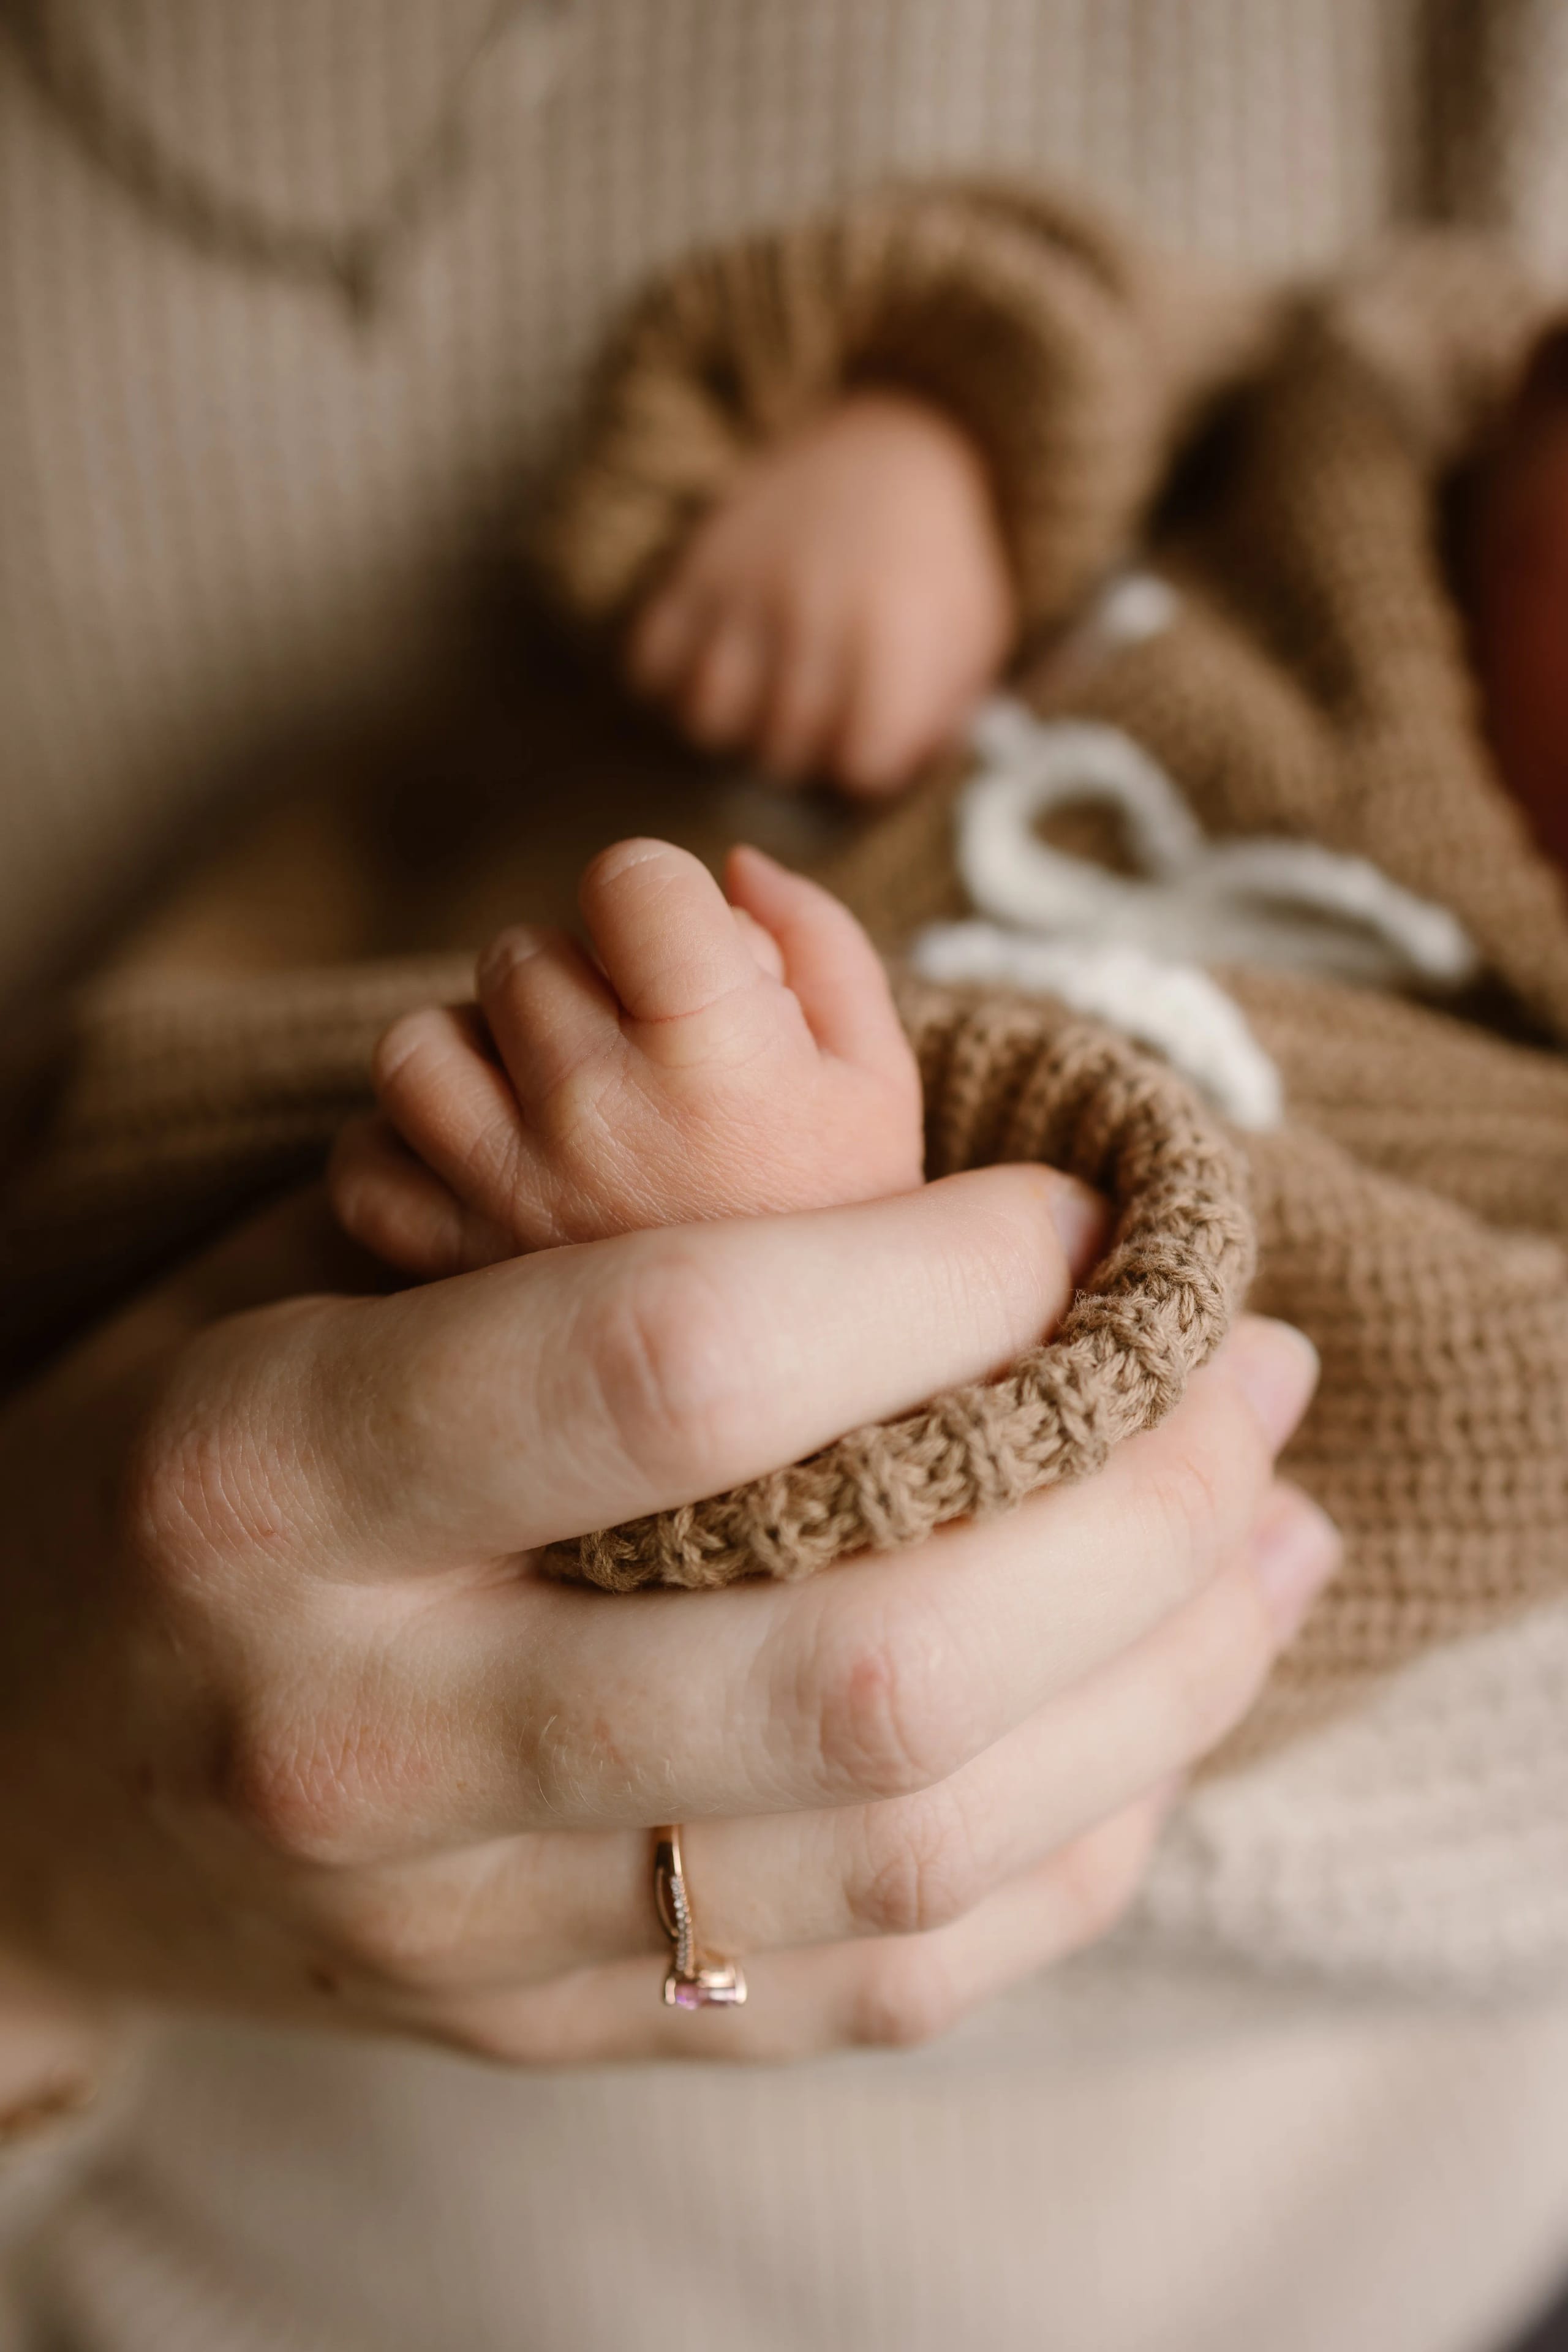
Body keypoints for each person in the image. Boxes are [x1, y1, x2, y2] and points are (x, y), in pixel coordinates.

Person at [5, 9, 1568, 2352]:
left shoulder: (1509, 1125)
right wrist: (947, 435)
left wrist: (828, 1239)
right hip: (300, 1001)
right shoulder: (1393, 409)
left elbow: (1331, 1438)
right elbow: (1130, 312)